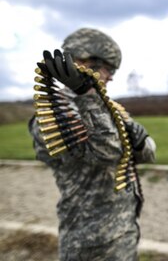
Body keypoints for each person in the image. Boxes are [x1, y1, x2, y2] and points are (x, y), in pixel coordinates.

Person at [28, 28, 156, 260]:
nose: (111, 76)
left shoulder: (105, 106)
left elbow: (148, 152)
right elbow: (106, 153)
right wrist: (86, 93)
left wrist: (139, 144)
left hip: (124, 229)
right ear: (84, 62)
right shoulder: (52, 113)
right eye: (108, 68)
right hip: (89, 240)